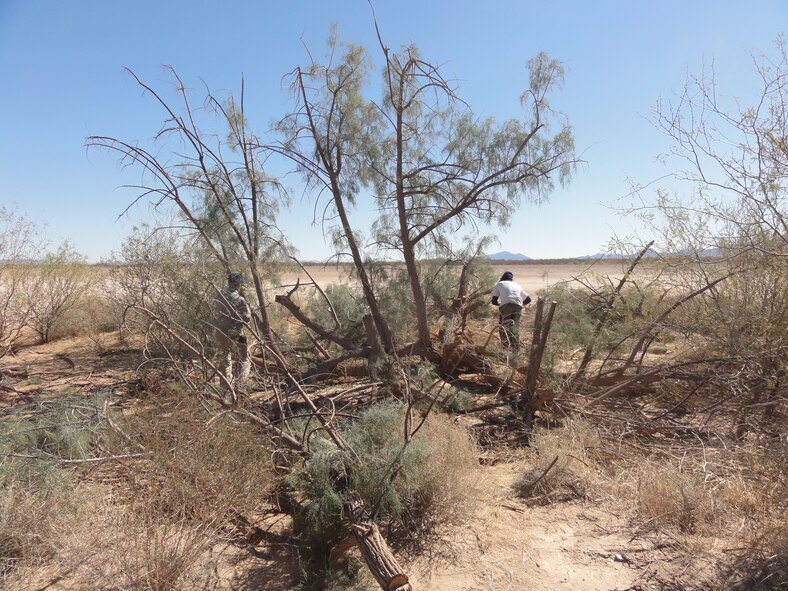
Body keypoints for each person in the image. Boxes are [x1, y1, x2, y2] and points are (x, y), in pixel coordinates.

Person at [215, 272, 252, 388]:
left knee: (225, 361)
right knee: (244, 359)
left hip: (221, 333)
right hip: (237, 334)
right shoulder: (240, 299)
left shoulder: (219, 296)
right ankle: (240, 386)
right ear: (238, 284)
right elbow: (247, 318)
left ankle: (226, 389)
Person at [491, 271, 531, 349]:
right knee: (515, 327)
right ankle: (516, 348)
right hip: (518, 306)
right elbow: (528, 299)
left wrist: (501, 304)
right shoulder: (516, 285)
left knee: (504, 327)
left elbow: (494, 301)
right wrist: (520, 305)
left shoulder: (500, 284)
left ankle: (505, 348)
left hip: (506, 306)